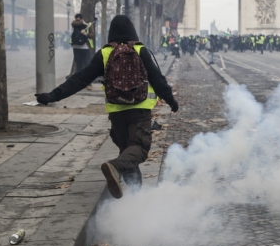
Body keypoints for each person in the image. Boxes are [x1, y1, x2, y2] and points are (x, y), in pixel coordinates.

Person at [36, 15, 178, 199]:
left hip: (116, 112)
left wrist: (52, 96)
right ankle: (115, 167)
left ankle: (136, 198)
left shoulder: (105, 53)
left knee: (127, 153)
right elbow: (158, 80)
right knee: (139, 149)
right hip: (139, 110)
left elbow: (80, 79)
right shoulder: (141, 50)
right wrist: (171, 101)